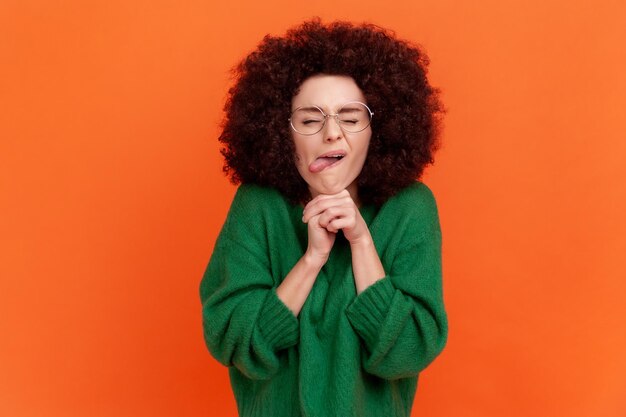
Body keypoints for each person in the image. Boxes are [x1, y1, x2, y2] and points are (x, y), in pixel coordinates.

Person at [200, 19, 448, 417]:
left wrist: (362, 243)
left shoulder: (410, 208)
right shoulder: (257, 205)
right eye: (311, 120)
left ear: (377, 131)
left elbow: (409, 351)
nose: (332, 134)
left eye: (350, 118)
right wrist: (311, 260)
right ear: (283, 133)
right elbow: (234, 342)